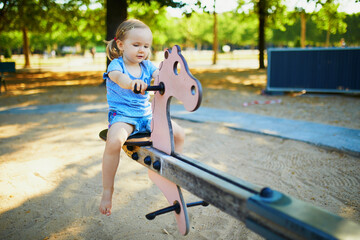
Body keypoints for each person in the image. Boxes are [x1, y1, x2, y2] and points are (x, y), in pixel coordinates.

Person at [99, 19, 185, 216]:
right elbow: (121, 79)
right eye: (136, 45)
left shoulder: (147, 66)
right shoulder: (116, 66)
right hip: (123, 116)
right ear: (120, 45)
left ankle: (173, 170)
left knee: (179, 133)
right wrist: (132, 83)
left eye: (146, 46)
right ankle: (107, 191)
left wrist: (173, 78)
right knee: (114, 142)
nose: (142, 50)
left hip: (146, 115)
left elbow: (160, 75)